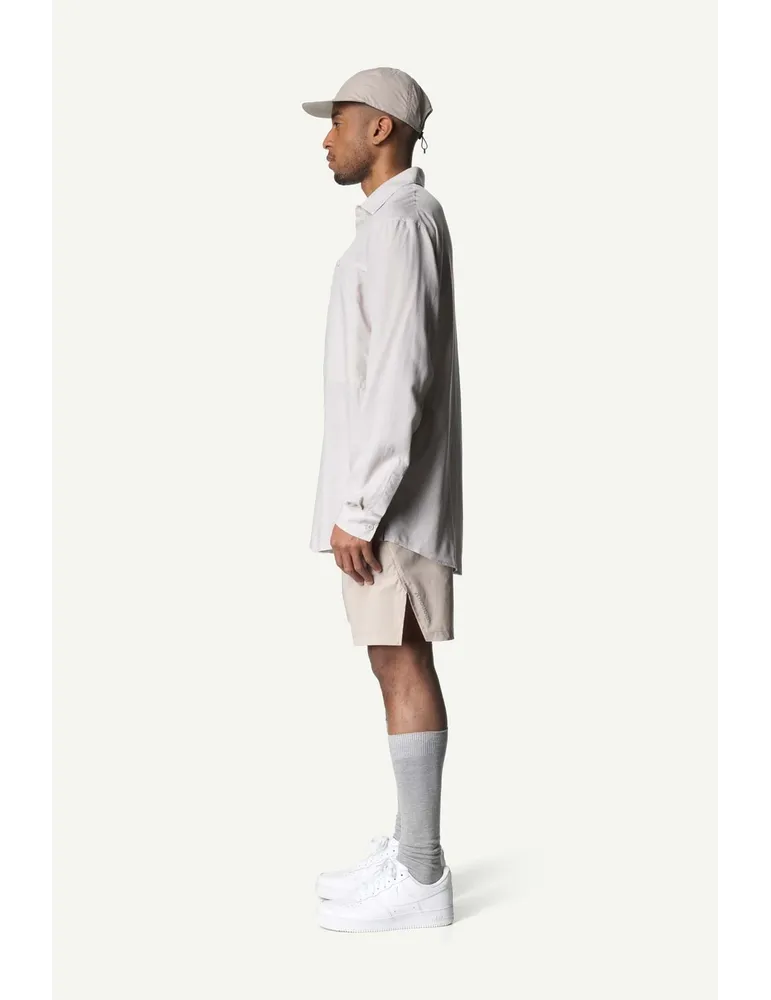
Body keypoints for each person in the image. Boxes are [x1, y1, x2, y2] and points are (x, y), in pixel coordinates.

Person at [303, 67, 463, 933]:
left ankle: (423, 874)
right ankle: (410, 849)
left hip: (389, 504)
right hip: (383, 496)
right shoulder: (391, 224)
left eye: (338, 122)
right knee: (390, 663)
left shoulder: (401, 224)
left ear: (381, 129)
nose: (324, 139)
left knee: (402, 665)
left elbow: (402, 371)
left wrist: (360, 508)